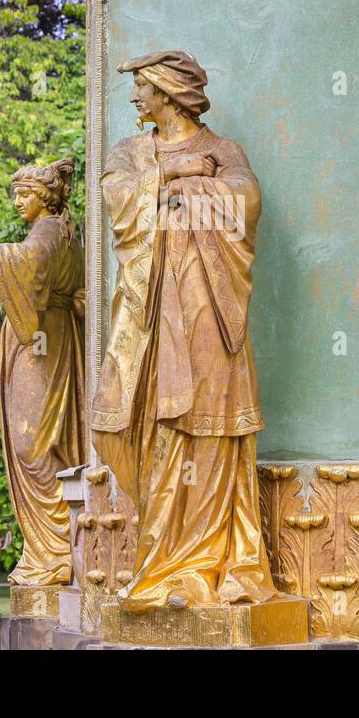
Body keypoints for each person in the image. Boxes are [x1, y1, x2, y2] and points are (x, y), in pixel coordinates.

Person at [90, 50, 278, 611]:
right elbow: (117, 202)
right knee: (152, 426)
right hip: (149, 317)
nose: (133, 98)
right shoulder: (130, 152)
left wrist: (189, 194)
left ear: (168, 94)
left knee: (206, 423)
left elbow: (244, 206)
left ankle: (207, 566)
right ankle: (163, 563)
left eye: (141, 88)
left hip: (209, 314)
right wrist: (173, 176)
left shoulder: (223, 152)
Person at [0, 158, 86, 586]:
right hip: (46, 339)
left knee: (33, 443)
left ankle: (58, 550)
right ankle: (52, 548)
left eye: (25, 195)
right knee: (42, 442)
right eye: (16, 195)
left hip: (44, 344)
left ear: (45, 197)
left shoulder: (48, 231)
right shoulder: (58, 230)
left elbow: (29, 261)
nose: (17, 203)